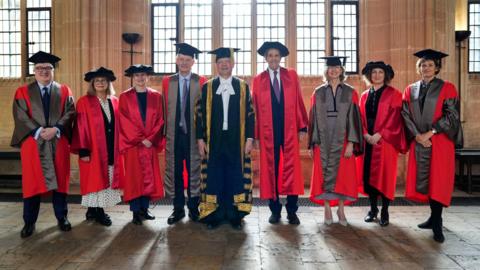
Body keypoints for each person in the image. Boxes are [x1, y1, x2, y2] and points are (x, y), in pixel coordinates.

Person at [11, 51, 75, 238]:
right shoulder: (22, 91)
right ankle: (29, 222)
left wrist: (56, 129)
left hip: (58, 140)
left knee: (60, 181)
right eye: (40, 68)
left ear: (53, 70)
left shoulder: (64, 90)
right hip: (33, 142)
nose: (44, 71)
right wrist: (38, 131)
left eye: (48, 68)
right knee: (32, 183)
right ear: (34, 71)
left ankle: (61, 217)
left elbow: (70, 112)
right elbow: (20, 115)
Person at [402, 49, 463, 243]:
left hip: (440, 141)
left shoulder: (448, 87)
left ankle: (437, 222)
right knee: (426, 181)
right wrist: (418, 135)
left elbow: (451, 116)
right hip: (420, 141)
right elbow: (405, 115)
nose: (426, 68)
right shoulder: (410, 89)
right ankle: (432, 217)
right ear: (418, 68)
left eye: (430, 65)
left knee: (438, 180)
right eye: (423, 65)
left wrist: (431, 132)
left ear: (437, 67)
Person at [195, 47, 255, 230]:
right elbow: (198, 114)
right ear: (216, 65)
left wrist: (250, 139)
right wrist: (200, 139)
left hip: (236, 139)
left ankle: (235, 215)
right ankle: (214, 215)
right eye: (220, 63)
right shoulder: (208, 87)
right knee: (215, 176)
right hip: (214, 140)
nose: (224, 65)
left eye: (227, 62)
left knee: (234, 175)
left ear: (233, 64)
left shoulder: (243, 87)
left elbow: (251, 114)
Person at [251, 41, 308, 225]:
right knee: (270, 169)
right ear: (265, 58)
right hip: (268, 132)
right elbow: (255, 110)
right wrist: (256, 135)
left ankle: (292, 210)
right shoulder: (259, 80)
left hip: (289, 129)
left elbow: (299, 100)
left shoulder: (291, 75)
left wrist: (302, 127)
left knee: (292, 168)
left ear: (281, 57)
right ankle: (274, 210)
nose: (273, 59)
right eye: (270, 56)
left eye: (276, 55)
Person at [308, 56, 363, 226]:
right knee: (323, 175)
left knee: (342, 177)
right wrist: (311, 143)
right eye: (330, 68)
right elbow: (313, 120)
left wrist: (351, 143)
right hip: (322, 141)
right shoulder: (318, 92)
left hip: (343, 139)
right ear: (326, 70)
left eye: (337, 67)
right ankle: (327, 209)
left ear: (341, 70)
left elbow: (354, 119)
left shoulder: (350, 92)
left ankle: (340, 209)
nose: (333, 70)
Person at [113, 64, 165, 225]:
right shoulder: (125, 97)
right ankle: (136, 211)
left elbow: (161, 120)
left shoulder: (156, 96)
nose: (140, 78)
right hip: (133, 145)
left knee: (148, 177)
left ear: (148, 77)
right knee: (134, 179)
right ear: (132, 78)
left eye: (143, 75)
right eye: (137, 76)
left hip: (150, 144)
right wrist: (140, 138)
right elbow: (124, 121)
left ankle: (145, 209)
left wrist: (151, 138)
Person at [356, 61, 407, 227]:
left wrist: (380, 134)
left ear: (386, 75)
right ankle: (372, 209)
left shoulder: (394, 94)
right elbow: (359, 118)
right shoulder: (364, 95)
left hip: (385, 142)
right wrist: (365, 133)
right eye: (374, 72)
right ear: (369, 75)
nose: (377, 75)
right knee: (369, 177)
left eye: (380, 72)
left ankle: (385, 211)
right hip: (368, 141)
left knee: (385, 177)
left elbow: (395, 118)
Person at [162, 43, 207, 225]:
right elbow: (163, 108)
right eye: (181, 59)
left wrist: (203, 136)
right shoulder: (168, 81)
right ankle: (178, 209)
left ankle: (194, 209)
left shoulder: (201, 81)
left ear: (193, 62)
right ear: (176, 60)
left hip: (193, 135)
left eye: (187, 60)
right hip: (174, 135)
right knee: (175, 171)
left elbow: (205, 110)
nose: (184, 63)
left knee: (194, 170)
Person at [71, 67, 122, 226]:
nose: (100, 83)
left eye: (103, 80)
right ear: (92, 84)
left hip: (110, 148)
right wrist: (83, 150)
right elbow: (80, 127)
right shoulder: (84, 102)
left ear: (108, 83)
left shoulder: (115, 101)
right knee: (95, 179)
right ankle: (99, 212)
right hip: (92, 150)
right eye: (97, 81)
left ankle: (92, 210)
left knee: (106, 176)